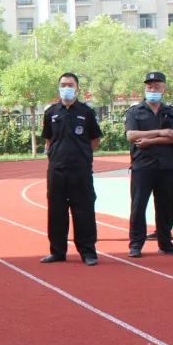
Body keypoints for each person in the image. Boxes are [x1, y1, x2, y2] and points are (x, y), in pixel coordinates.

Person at [40, 72, 102, 266]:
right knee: (56, 212)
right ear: (58, 88)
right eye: (63, 85)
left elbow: (95, 140)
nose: (66, 88)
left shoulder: (86, 112)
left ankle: (88, 252)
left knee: (84, 210)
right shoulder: (51, 112)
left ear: (77, 88)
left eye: (70, 85)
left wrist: (82, 155)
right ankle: (57, 251)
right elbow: (48, 139)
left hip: (80, 170)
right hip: (57, 170)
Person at [124, 71, 173, 258]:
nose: (153, 90)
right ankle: (136, 244)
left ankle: (165, 243)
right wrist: (161, 132)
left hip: (166, 165)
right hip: (142, 165)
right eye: (149, 87)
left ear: (163, 89)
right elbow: (131, 135)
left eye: (157, 87)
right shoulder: (135, 111)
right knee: (138, 206)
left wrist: (150, 140)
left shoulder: (171, 112)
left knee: (166, 207)